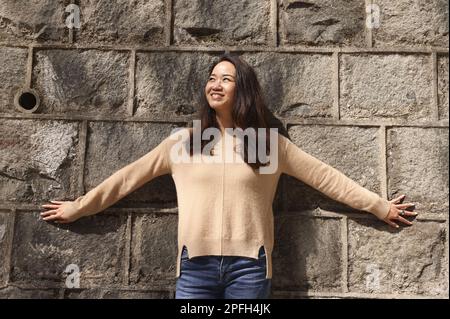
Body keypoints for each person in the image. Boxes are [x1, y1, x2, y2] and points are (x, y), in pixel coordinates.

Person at [41, 53, 418, 299]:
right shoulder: (183, 143)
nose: (215, 84)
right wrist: (79, 207)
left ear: (244, 90)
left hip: (250, 270)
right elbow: (127, 178)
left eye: (226, 78)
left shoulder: (269, 145)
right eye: (211, 78)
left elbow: (327, 178)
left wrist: (379, 206)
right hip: (194, 268)